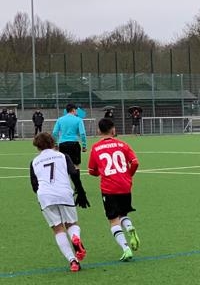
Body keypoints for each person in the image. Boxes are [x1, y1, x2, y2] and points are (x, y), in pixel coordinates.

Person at [29, 132, 91, 272]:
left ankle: (73, 261)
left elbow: (34, 185)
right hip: (64, 193)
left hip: (45, 196)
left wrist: (43, 197)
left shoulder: (34, 162)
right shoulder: (63, 156)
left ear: (37, 146)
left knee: (57, 229)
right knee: (71, 224)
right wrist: (81, 192)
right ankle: (75, 237)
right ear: (53, 143)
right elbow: (74, 174)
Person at [87, 118, 141, 261]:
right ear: (113, 130)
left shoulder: (96, 148)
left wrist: (99, 172)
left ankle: (126, 248)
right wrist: (128, 175)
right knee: (123, 214)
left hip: (109, 188)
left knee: (113, 220)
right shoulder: (123, 144)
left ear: (99, 131)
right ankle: (129, 227)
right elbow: (135, 162)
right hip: (125, 185)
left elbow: (91, 171)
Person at [53, 103, 87, 169]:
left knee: (64, 165)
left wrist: (56, 144)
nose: (77, 111)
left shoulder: (60, 120)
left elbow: (55, 132)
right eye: (76, 110)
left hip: (63, 144)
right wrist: (84, 145)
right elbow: (82, 133)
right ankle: (76, 176)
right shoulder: (78, 119)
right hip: (74, 144)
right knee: (76, 165)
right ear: (73, 110)